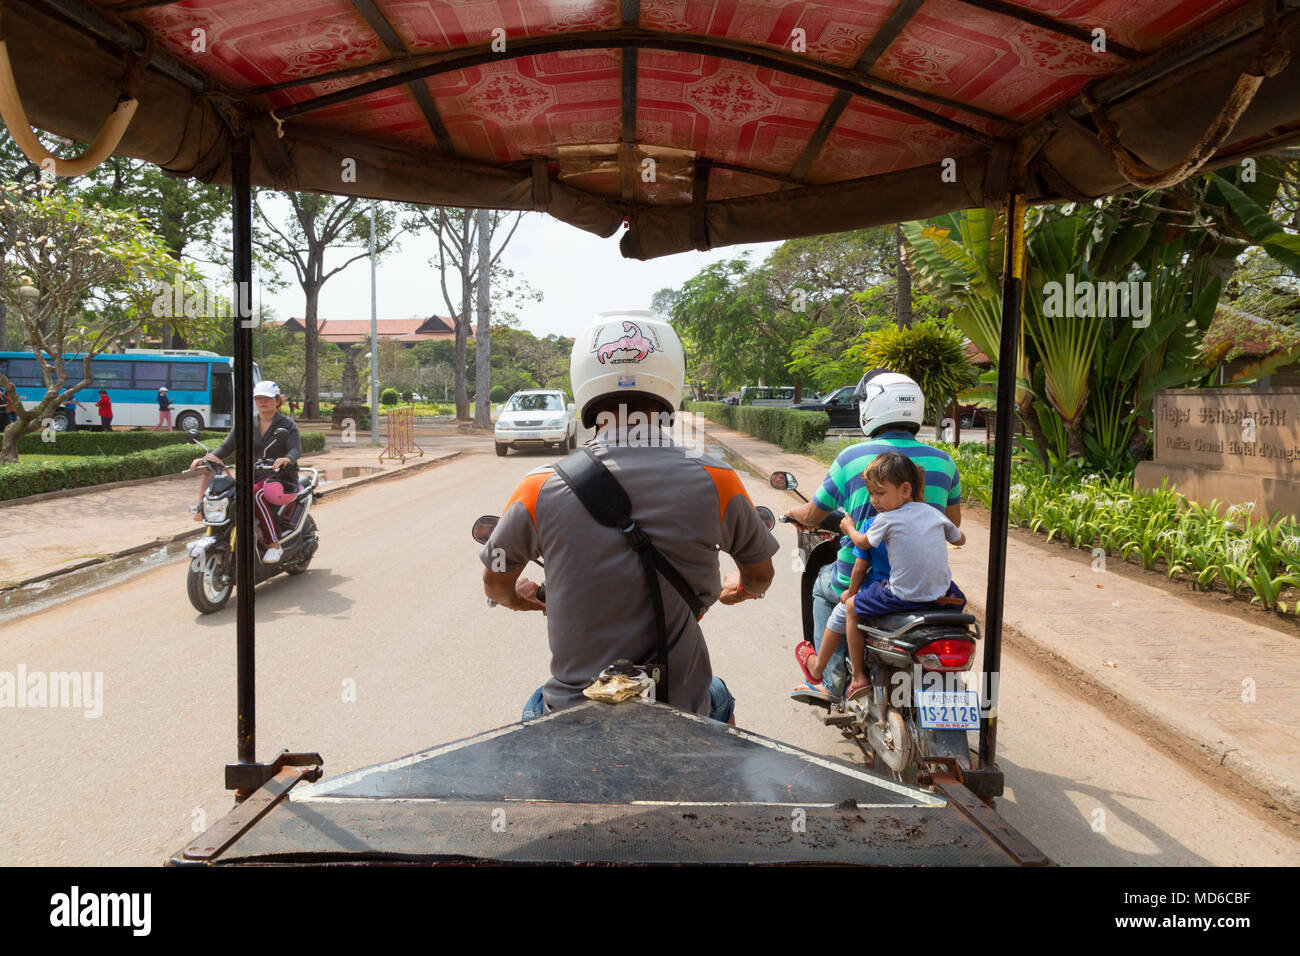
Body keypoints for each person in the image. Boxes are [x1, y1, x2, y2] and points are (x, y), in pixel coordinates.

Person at [480, 312, 779, 725]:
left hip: (573, 710)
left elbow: (496, 584)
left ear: (583, 383)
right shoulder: (717, 479)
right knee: (718, 694)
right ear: (671, 381)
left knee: (536, 709)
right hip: (681, 707)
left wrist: (520, 599)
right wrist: (740, 589)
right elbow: (760, 576)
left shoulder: (538, 487)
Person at [783, 370, 962, 702]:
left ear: (871, 407)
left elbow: (813, 515)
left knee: (824, 587)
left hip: (875, 582)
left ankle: (830, 681)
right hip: (926, 583)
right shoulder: (945, 462)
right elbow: (954, 525)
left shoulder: (851, 458)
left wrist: (793, 514)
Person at [796, 452, 966, 700]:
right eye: (871, 494)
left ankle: (854, 677)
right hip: (940, 595)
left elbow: (861, 550)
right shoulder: (934, 514)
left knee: (849, 607)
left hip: (900, 595)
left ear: (906, 490)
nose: (874, 500)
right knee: (959, 611)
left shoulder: (882, 520)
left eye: (880, 493)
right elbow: (960, 539)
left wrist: (848, 528)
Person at [189, 380, 301, 563]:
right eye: (258, 398)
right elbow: (227, 446)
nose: (262, 402)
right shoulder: (245, 422)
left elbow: (295, 449)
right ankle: (213, 534)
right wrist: (206, 458)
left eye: (267, 398)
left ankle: (274, 544)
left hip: (280, 477)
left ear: (277, 400)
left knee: (256, 495)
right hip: (253, 476)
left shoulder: (287, 424)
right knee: (224, 495)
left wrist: (287, 459)